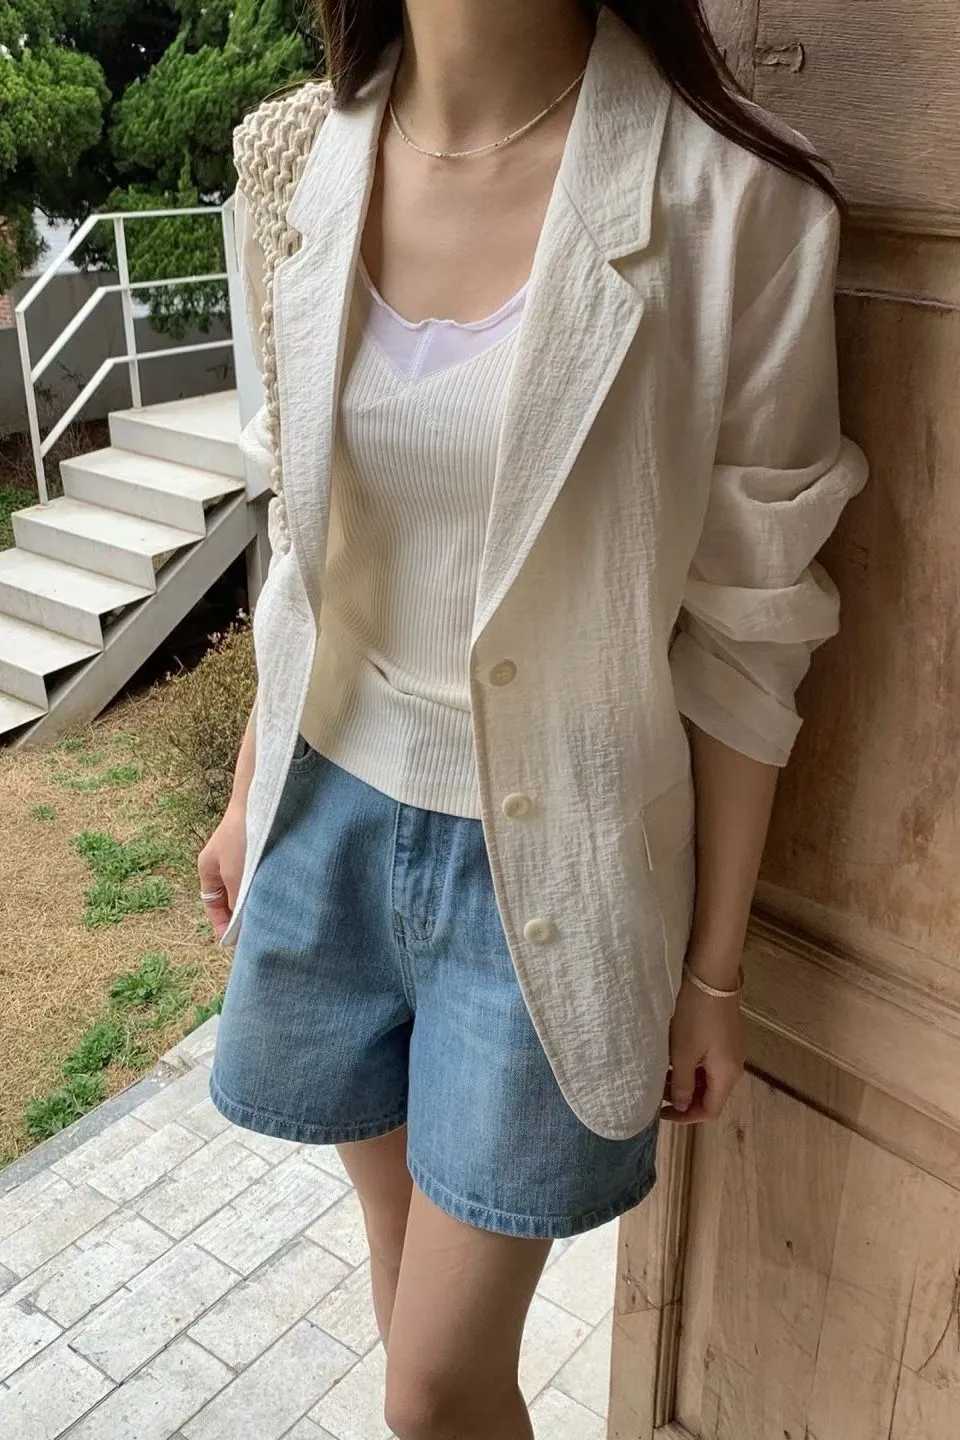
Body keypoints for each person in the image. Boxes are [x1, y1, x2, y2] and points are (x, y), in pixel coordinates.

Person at [198, 3, 867, 1436]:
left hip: (551, 869)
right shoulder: (309, 155)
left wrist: (714, 974)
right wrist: (253, 784)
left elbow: (753, 635)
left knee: (433, 1384)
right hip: (329, 814)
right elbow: (303, 532)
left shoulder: (738, 206)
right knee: (411, 1321)